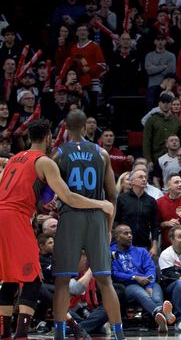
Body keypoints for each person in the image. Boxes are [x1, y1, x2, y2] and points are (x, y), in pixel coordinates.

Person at [0, 119, 113, 340]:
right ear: (48, 138)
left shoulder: (14, 158)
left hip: (3, 214)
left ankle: (4, 333)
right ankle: (21, 334)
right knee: (32, 279)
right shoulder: (44, 161)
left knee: (10, 278)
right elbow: (69, 197)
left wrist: (37, 204)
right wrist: (101, 203)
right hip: (15, 218)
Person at [52, 110, 124, 340]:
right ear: (85, 128)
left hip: (71, 216)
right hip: (96, 217)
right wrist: (109, 227)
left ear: (66, 128)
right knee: (105, 279)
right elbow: (112, 196)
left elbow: (45, 190)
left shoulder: (58, 154)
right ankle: (119, 333)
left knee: (63, 280)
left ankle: (60, 334)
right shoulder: (102, 153)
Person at [111, 225, 174, 333]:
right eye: (125, 233)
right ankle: (163, 314)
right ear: (117, 237)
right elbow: (115, 273)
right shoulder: (112, 253)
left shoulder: (141, 251)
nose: (130, 236)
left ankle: (161, 324)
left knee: (156, 297)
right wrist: (135, 277)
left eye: (130, 233)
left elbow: (150, 269)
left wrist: (148, 285)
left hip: (148, 282)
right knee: (142, 295)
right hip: (128, 285)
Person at [115, 169, 159, 255]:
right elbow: (116, 221)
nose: (144, 179)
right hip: (123, 243)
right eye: (140, 177)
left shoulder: (151, 201)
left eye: (145, 177)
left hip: (143, 244)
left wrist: (154, 245)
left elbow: (155, 226)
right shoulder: (122, 199)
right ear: (132, 182)